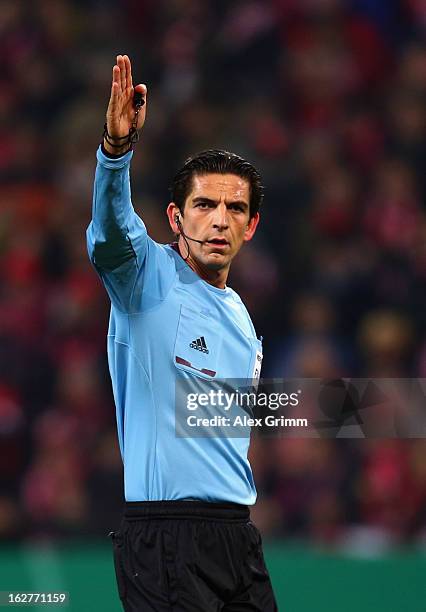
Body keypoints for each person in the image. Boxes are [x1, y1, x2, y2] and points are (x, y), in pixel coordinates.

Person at [87, 54, 278, 612]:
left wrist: (381, 408)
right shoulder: (144, 277)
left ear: (252, 225)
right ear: (176, 218)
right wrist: (115, 154)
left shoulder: (240, 313)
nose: (219, 219)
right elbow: (110, 232)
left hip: (237, 537)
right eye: (204, 205)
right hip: (166, 538)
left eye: (234, 208)